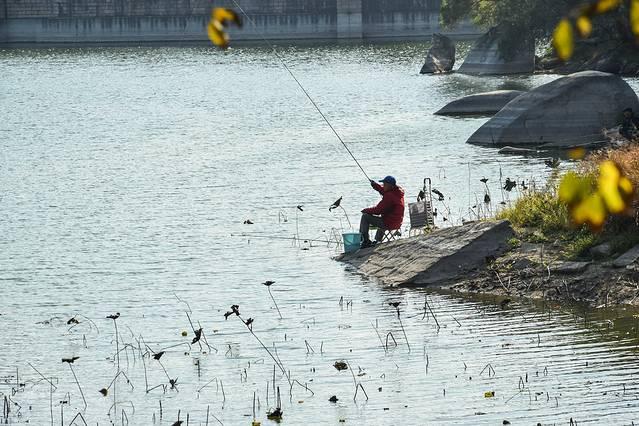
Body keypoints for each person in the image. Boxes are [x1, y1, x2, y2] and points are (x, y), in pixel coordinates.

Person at [359, 176, 405, 248]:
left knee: (365, 217)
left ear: (390, 185)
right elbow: (384, 191)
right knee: (383, 217)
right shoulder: (397, 192)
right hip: (398, 222)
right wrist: (375, 185)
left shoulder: (389, 196)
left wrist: (365, 210)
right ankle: (377, 240)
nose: (383, 185)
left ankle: (365, 241)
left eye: (384, 184)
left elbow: (378, 210)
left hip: (390, 223)